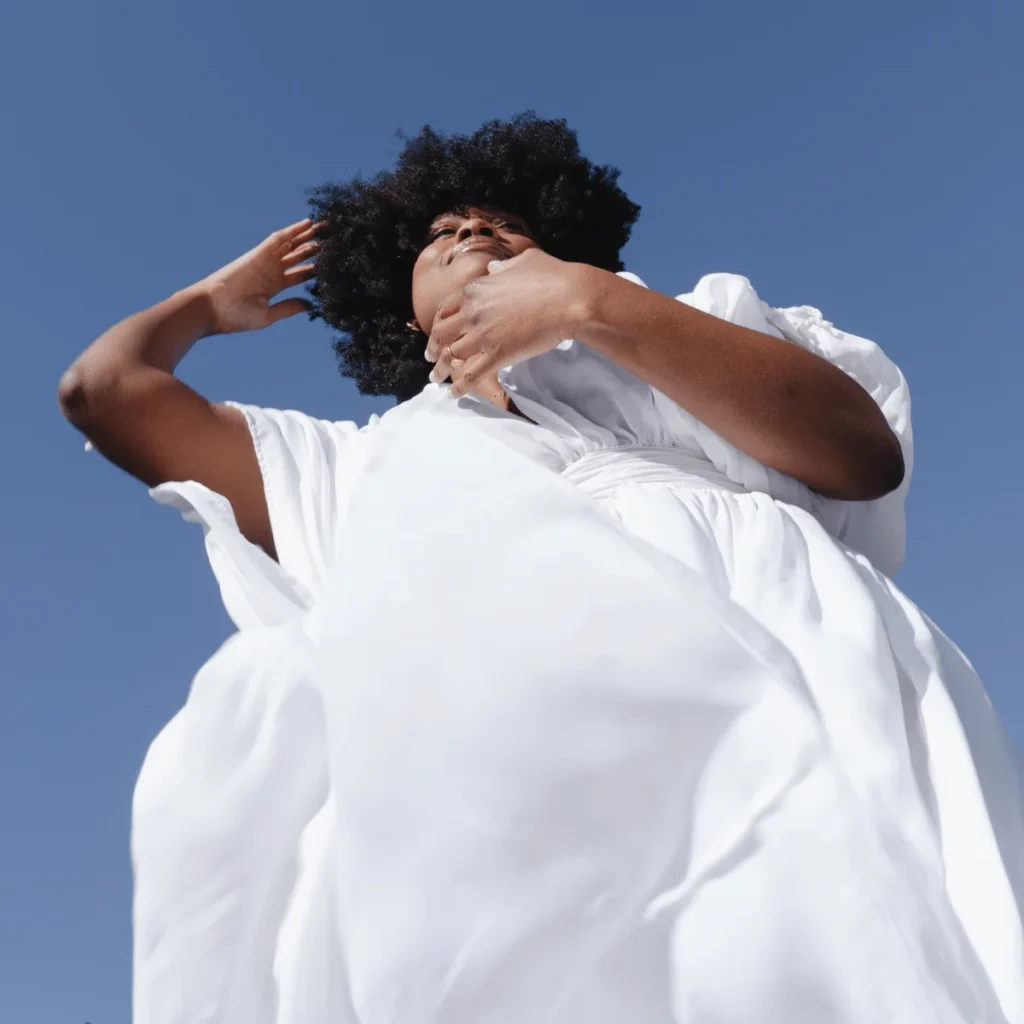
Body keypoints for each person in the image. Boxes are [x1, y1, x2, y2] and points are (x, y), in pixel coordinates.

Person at [59, 114, 1024, 1024]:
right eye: (441, 233)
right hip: (513, 782)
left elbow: (860, 456)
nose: (475, 226)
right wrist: (202, 307)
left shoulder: (679, 334)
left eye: (504, 224)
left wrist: (590, 303)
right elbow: (107, 392)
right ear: (399, 318)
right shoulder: (357, 465)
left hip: (797, 670)